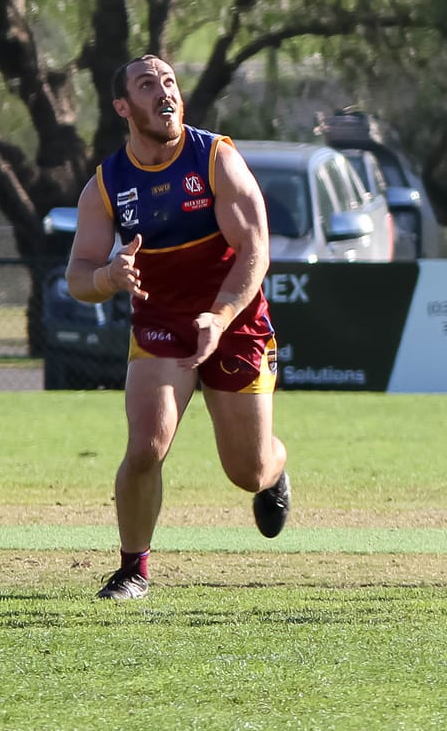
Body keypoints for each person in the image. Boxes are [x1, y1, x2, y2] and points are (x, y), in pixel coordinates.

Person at [67, 55, 288, 600]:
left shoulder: (215, 158)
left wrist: (219, 315)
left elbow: (255, 250)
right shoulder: (105, 185)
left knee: (248, 471)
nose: (165, 93)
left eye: (169, 82)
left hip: (233, 323)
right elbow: (76, 276)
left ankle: (275, 470)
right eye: (147, 85)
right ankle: (133, 570)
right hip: (162, 325)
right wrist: (109, 277)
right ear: (123, 107)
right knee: (145, 446)